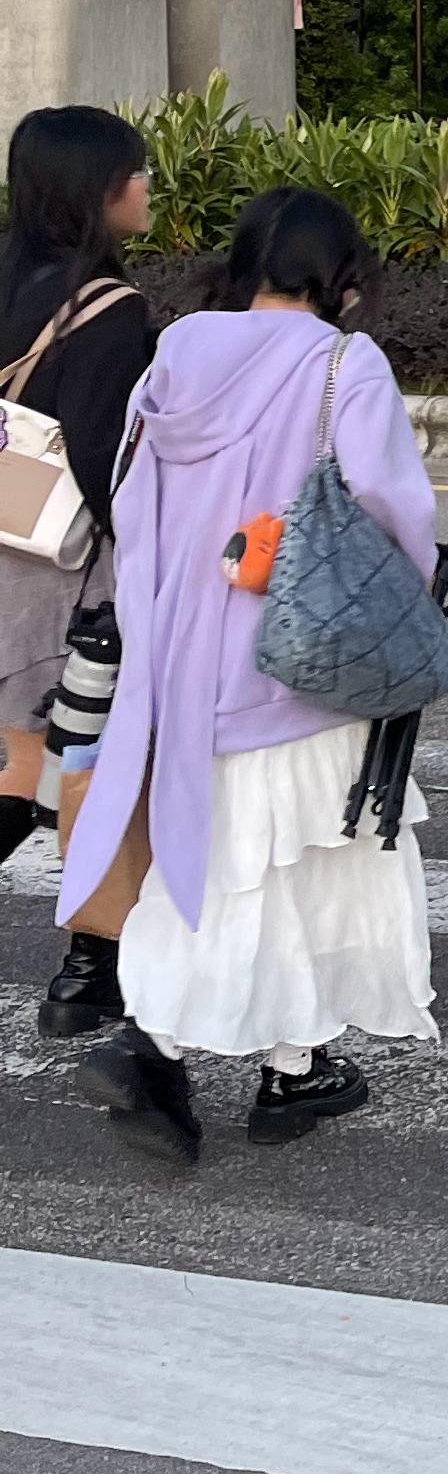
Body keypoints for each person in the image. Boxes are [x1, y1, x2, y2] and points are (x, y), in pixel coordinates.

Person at [59, 189, 436, 1162]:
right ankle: (155, 1041)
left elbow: (133, 504)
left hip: (184, 658)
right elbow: (391, 508)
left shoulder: (180, 351)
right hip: (299, 658)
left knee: (241, 857)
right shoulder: (345, 366)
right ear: (338, 275)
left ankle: (293, 1066)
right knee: (292, 861)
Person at [0, 106, 159, 1031]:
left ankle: (91, 965)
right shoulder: (109, 308)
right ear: (99, 191)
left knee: (28, 763)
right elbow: (110, 465)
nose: (145, 188)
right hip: (66, 570)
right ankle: (90, 965)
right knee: (92, 768)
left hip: (2, 554)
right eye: (134, 174)